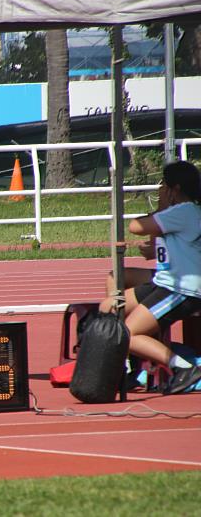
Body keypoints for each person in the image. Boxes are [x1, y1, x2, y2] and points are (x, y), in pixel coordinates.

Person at [99, 161, 201, 394]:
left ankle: (184, 367)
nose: (159, 190)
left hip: (181, 288)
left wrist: (162, 207)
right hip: (164, 281)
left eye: (163, 185)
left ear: (173, 189)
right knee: (108, 307)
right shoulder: (184, 213)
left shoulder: (183, 211)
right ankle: (128, 365)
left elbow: (136, 226)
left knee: (127, 333)